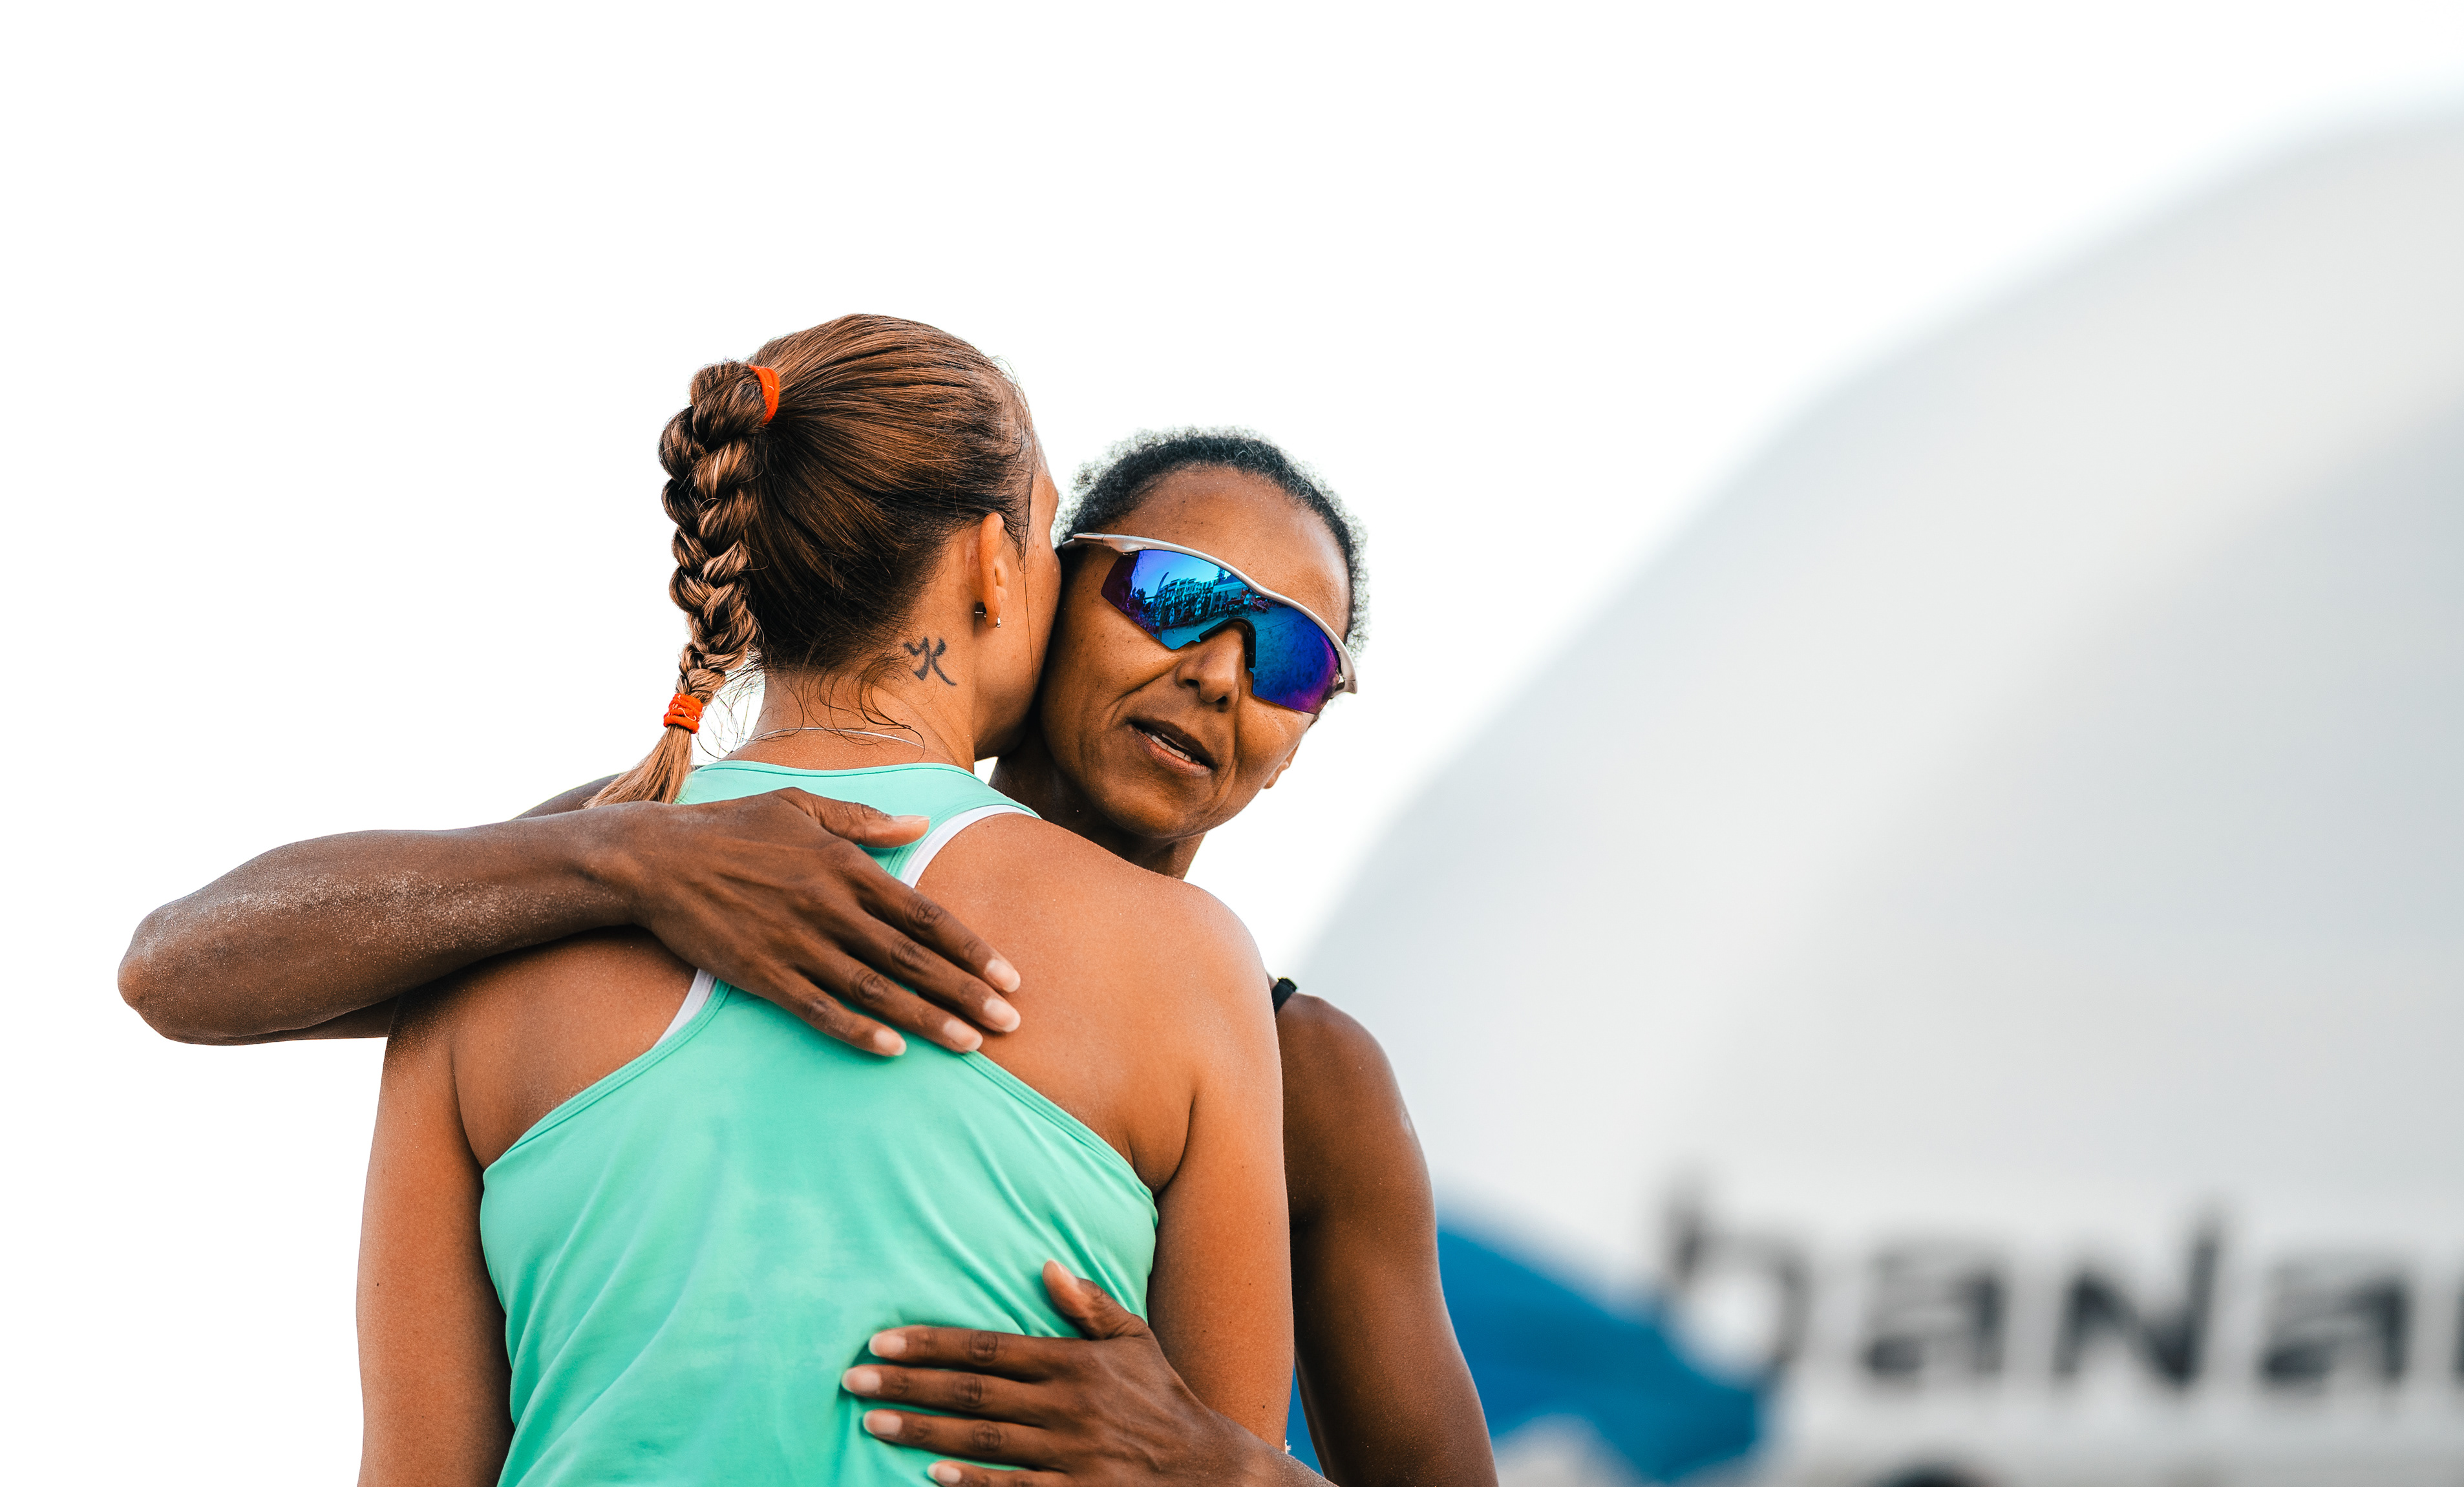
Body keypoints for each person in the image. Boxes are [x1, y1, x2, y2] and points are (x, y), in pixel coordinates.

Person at [125, 419, 1498, 1485]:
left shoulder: (1304, 1069)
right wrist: (625, 859)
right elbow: (184, 966)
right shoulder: (692, 848)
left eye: (1292, 659)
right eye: (1181, 596)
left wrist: (1224, 1467)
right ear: (1036, 582)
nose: (1220, 672)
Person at [335, 314, 1293, 1483]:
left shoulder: (492, 946)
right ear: (992, 567)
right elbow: (1220, 1455)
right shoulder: (1187, 963)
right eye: (1046, 541)